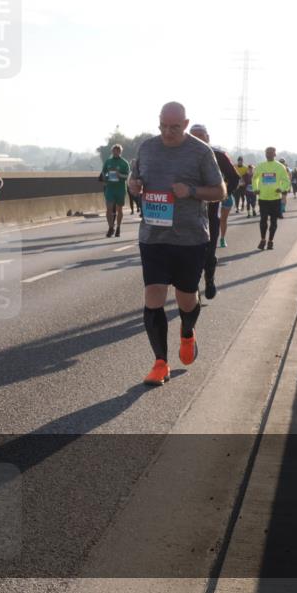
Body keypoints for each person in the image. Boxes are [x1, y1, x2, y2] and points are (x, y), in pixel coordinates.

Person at [128, 102, 226, 387]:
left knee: (186, 298)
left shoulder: (200, 151)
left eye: (174, 127)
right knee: (153, 296)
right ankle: (160, 363)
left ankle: (187, 332)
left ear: (185, 124)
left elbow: (220, 191)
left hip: (190, 238)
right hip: (153, 237)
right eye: (163, 126)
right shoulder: (147, 148)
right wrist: (133, 186)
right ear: (158, 122)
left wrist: (191, 191)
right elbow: (135, 181)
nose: (168, 132)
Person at [189, 124, 240, 300]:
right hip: (186, 213)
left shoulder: (218, 155)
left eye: (200, 136)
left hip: (211, 212)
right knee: (190, 254)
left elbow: (234, 178)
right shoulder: (181, 155)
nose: (196, 139)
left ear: (207, 137)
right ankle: (193, 289)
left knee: (208, 253)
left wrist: (222, 195)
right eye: (192, 135)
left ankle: (209, 279)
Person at [253, 148, 292, 250]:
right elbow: (255, 178)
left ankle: (270, 241)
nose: (269, 155)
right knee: (263, 220)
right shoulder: (261, 166)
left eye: (271, 153)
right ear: (265, 154)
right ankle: (262, 240)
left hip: (275, 199)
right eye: (267, 153)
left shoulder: (280, 167)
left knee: (274, 222)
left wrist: (282, 188)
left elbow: (286, 181)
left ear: (275, 154)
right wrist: (255, 188)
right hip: (263, 198)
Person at [100, 144, 130, 238]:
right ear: (112, 151)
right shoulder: (108, 161)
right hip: (110, 188)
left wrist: (119, 175)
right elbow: (103, 172)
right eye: (114, 151)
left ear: (120, 152)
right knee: (109, 208)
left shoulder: (124, 163)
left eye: (118, 151)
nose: (116, 152)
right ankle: (111, 227)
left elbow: (127, 177)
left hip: (120, 189)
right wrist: (105, 178)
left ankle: (118, 227)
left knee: (119, 209)